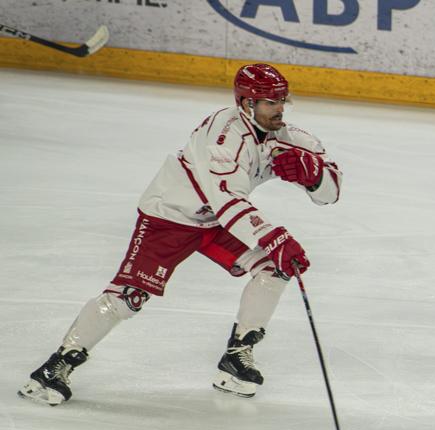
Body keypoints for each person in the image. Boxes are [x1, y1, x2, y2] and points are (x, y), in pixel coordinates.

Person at [19, 63, 342, 404]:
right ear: (247, 103)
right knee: (129, 297)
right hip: (170, 217)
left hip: (217, 221)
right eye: (270, 102)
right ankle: (55, 367)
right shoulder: (223, 138)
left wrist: (316, 177)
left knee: (274, 268)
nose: (279, 109)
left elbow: (332, 191)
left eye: (281, 101)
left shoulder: (285, 136)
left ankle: (236, 358)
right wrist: (273, 236)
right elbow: (229, 200)